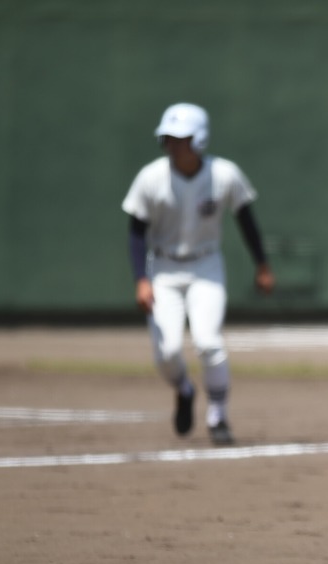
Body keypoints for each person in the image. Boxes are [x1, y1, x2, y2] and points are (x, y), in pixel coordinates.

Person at [122, 103, 274, 446]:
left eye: (182, 139)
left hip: (206, 266)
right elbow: (135, 231)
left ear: (200, 139)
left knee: (208, 341)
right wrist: (141, 280)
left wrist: (262, 264)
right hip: (162, 268)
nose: (174, 146)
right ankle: (184, 389)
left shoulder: (224, 174)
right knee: (168, 351)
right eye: (169, 139)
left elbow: (246, 219)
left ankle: (218, 417)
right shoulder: (151, 177)